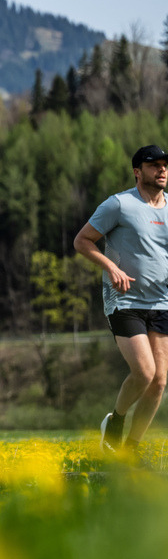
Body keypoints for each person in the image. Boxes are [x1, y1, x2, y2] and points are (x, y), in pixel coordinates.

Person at [74, 144, 168, 454]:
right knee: (144, 372)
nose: (162, 170)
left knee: (159, 382)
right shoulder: (119, 205)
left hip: (162, 303)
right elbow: (82, 240)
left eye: (165, 165)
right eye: (154, 165)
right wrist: (111, 266)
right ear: (138, 171)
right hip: (125, 301)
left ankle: (130, 450)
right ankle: (115, 421)